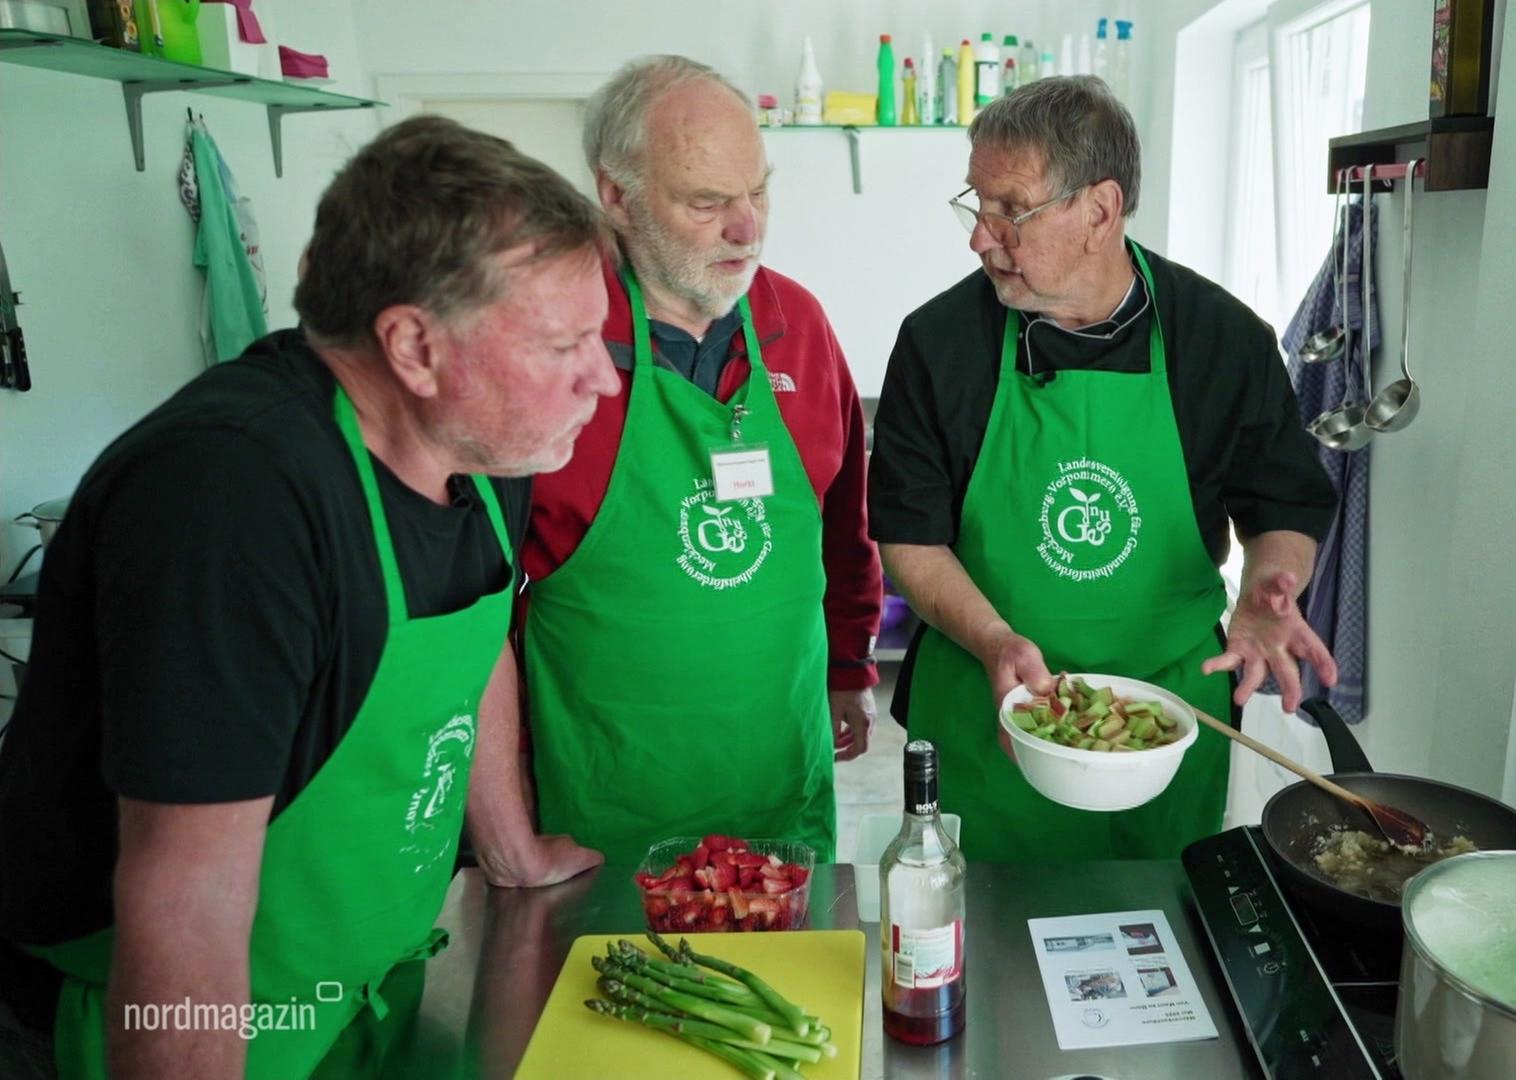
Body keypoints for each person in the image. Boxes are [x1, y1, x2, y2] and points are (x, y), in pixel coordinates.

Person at [0, 114, 618, 1079]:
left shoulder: (479, 436)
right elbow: (185, 899)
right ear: (414, 345)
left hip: (367, 985)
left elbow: (476, 639)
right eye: (565, 344)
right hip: (168, 1020)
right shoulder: (231, 497)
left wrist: (509, 850)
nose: (603, 379)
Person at [868, 76, 1340, 863]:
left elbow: (1281, 499)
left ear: (1099, 210)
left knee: (1161, 945)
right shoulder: (939, 343)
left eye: (1008, 210)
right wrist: (994, 642)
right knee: (984, 945)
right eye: (975, 204)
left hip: (1162, 721)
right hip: (989, 708)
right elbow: (910, 540)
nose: (979, 238)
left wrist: (1269, 586)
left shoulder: (1222, 340)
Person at [466, 56, 883, 880]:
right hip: (608, 803)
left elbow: (842, 522)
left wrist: (848, 663)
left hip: (778, 792)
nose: (747, 228)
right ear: (614, 195)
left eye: (758, 191)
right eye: (706, 202)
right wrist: (504, 828)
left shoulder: (797, 322)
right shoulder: (548, 347)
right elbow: (477, 613)